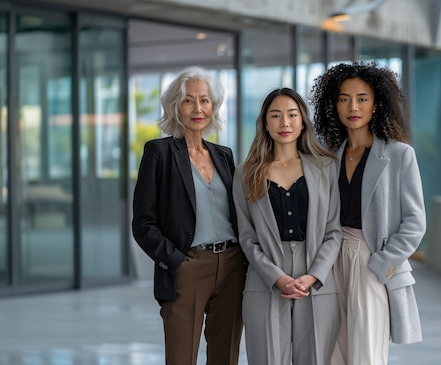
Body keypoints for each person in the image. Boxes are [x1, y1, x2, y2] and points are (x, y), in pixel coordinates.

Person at [308, 61, 426, 365]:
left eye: (362, 98)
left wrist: (380, 265)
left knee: (366, 354)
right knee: (331, 352)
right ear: (334, 105)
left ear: (376, 104)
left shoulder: (400, 155)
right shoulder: (329, 156)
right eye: (344, 99)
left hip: (370, 260)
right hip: (330, 260)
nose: (353, 106)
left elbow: (415, 223)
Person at [132, 66, 245, 365]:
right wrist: (177, 262)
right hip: (187, 265)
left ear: (214, 106)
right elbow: (143, 223)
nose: (198, 108)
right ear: (175, 107)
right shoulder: (159, 152)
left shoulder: (224, 155)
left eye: (205, 100)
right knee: (181, 358)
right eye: (188, 100)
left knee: (226, 357)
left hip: (233, 266)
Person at [233, 88, 341, 365]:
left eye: (292, 115)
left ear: (302, 121)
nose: (285, 123)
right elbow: (247, 237)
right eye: (276, 116)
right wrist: (276, 277)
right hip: (265, 275)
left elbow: (333, 231)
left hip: (315, 276)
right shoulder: (246, 172)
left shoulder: (326, 167)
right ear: (265, 123)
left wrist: (314, 275)